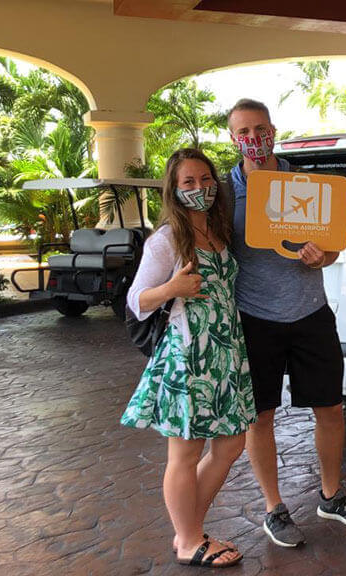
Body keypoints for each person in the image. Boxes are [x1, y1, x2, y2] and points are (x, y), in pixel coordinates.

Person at [225, 98, 346, 548]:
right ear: (233, 139)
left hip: (311, 313)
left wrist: (321, 256)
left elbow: (332, 249)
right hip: (255, 318)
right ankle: (275, 508)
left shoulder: (304, 184)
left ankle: (330, 495)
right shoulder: (224, 193)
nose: (254, 138)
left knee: (329, 408)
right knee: (261, 417)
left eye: (260, 129)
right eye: (244, 132)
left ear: (273, 129)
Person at [121, 148, 256, 568]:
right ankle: (189, 539)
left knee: (231, 444)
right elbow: (136, 299)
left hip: (225, 352)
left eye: (205, 179)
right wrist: (171, 289)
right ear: (175, 191)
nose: (201, 188)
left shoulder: (218, 231)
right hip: (189, 355)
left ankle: (188, 529)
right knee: (185, 453)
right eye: (189, 183)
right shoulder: (167, 239)